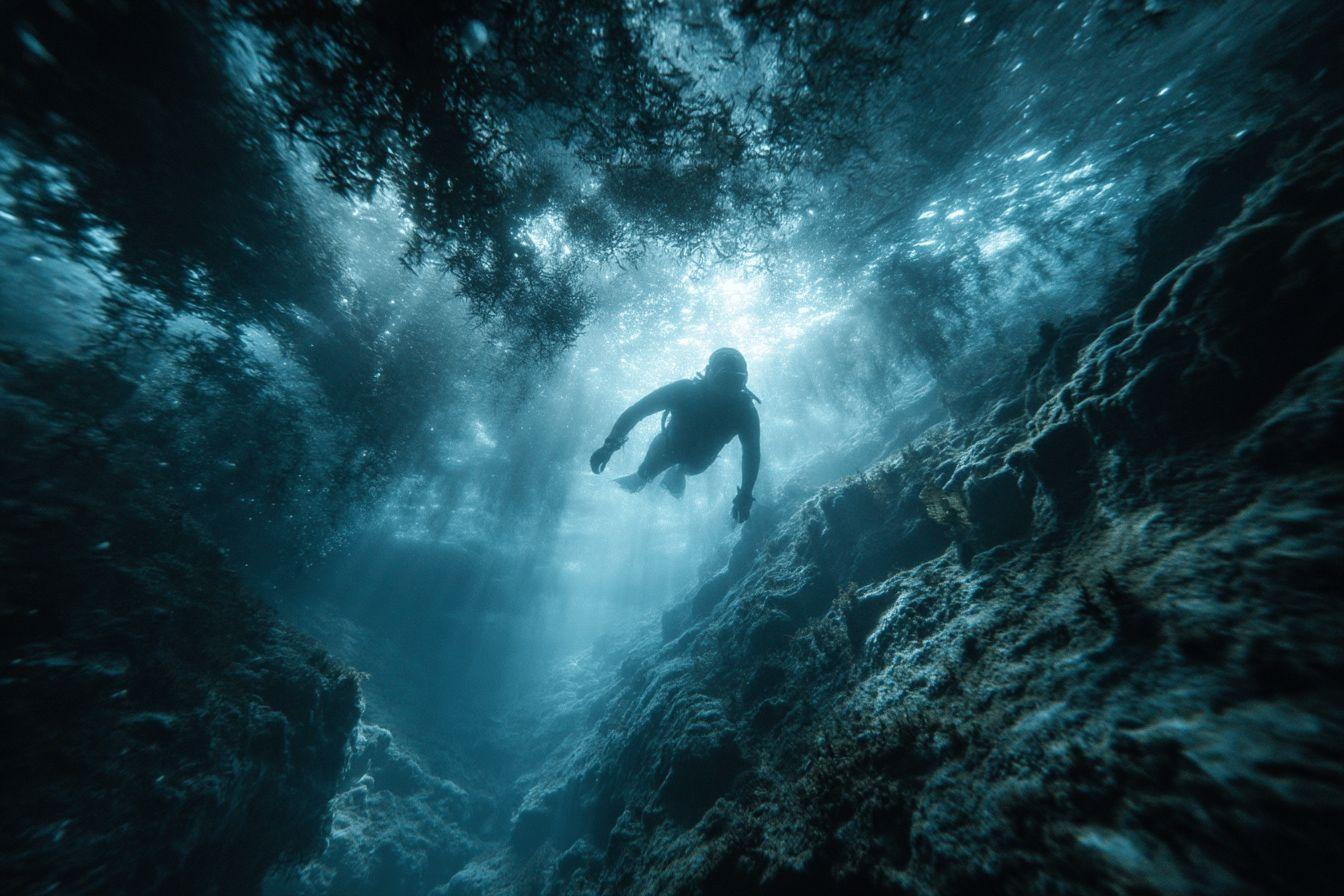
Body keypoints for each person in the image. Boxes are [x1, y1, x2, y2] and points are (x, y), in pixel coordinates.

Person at [589, 348, 760, 524]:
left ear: (744, 381)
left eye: (736, 381)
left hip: (697, 460)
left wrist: (746, 493)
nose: (727, 388)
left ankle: (675, 473)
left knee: (677, 470)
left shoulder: (744, 410)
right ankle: (639, 486)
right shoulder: (686, 391)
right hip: (668, 449)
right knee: (642, 476)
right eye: (724, 378)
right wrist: (609, 445)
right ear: (709, 373)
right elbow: (637, 411)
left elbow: (752, 452)